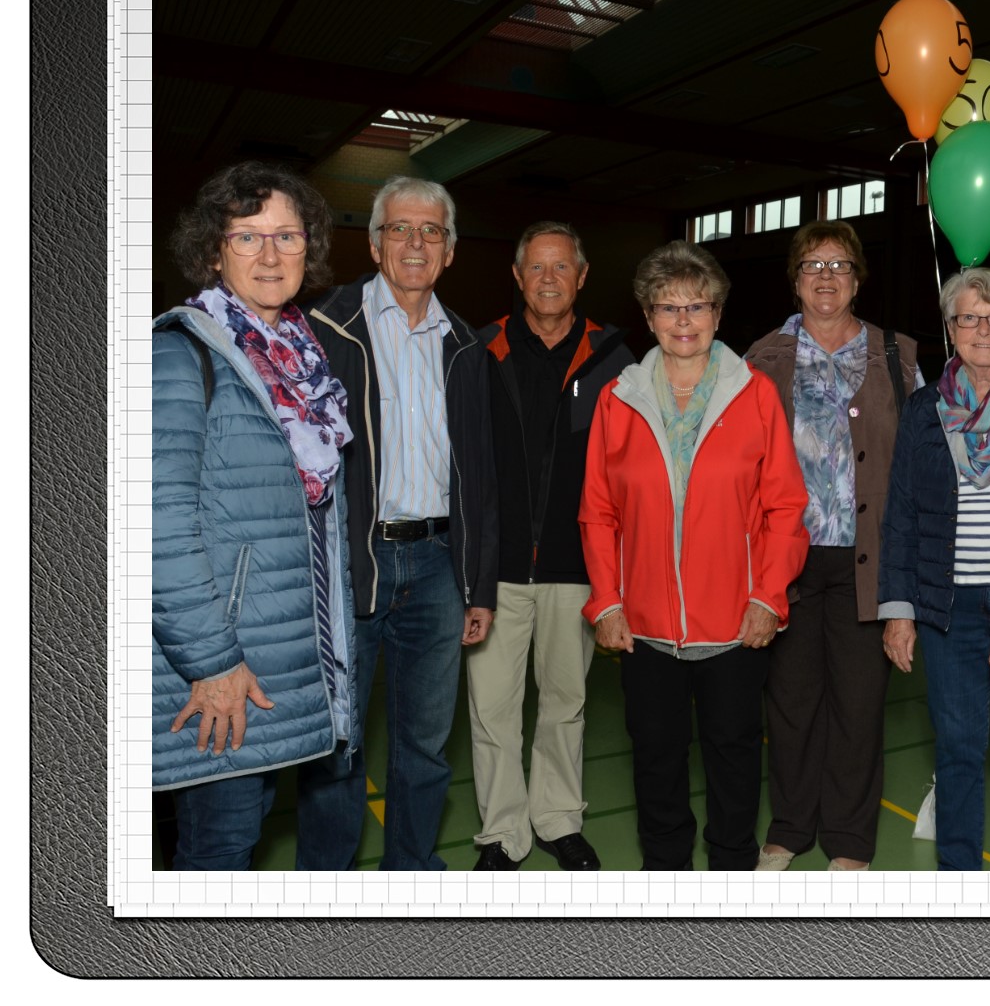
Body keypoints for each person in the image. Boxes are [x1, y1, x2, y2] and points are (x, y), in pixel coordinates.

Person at [152, 161, 359, 869]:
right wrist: (213, 663)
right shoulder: (179, 355)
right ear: (214, 251)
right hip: (223, 668)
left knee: (237, 842)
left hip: (282, 660)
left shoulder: (303, 361)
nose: (270, 255)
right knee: (219, 851)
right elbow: (156, 531)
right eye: (247, 237)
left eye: (287, 236)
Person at [579, 241, 809, 870]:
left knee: (735, 761)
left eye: (697, 306)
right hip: (645, 630)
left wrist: (768, 597)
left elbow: (785, 507)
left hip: (735, 625)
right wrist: (607, 603)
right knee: (656, 763)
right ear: (648, 316)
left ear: (717, 313)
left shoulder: (755, 394)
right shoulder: (618, 399)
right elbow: (598, 512)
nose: (684, 320)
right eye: (668, 307)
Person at [306, 175, 498, 872]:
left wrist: (479, 585)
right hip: (352, 562)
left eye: (431, 231)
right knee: (338, 744)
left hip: (439, 566)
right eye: (400, 228)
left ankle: (410, 876)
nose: (416, 243)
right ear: (374, 242)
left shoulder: (467, 347)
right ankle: (323, 893)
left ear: (449, 250)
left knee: (424, 746)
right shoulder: (323, 328)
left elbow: (481, 477)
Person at [747, 220, 921, 872]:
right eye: (813, 265)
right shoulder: (760, 358)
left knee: (858, 704)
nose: (826, 277)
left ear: (858, 278)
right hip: (787, 560)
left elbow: (918, 465)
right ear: (795, 280)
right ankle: (789, 829)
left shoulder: (897, 356)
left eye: (839, 265)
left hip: (866, 559)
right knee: (790, 705)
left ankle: (849, 841)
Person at [467, 221, 634, 871]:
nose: (548, 279)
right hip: (497, 571)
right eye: (536, 267)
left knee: (566, 705)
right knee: (493, 711)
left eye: (561, 266)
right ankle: (502, 833)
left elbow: (630, 470)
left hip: (577, 568)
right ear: (517, 275)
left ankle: (558, 819)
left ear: (582, 276)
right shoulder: (480, 350)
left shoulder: (614, 357)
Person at [879, 268, 990, 871]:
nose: (984, 331)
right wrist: (899, 611)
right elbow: (900, 512)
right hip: (947, 608)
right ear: (950, 328)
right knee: (959, 750)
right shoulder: (925, 408)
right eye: (969, 318)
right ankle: (960, 881)